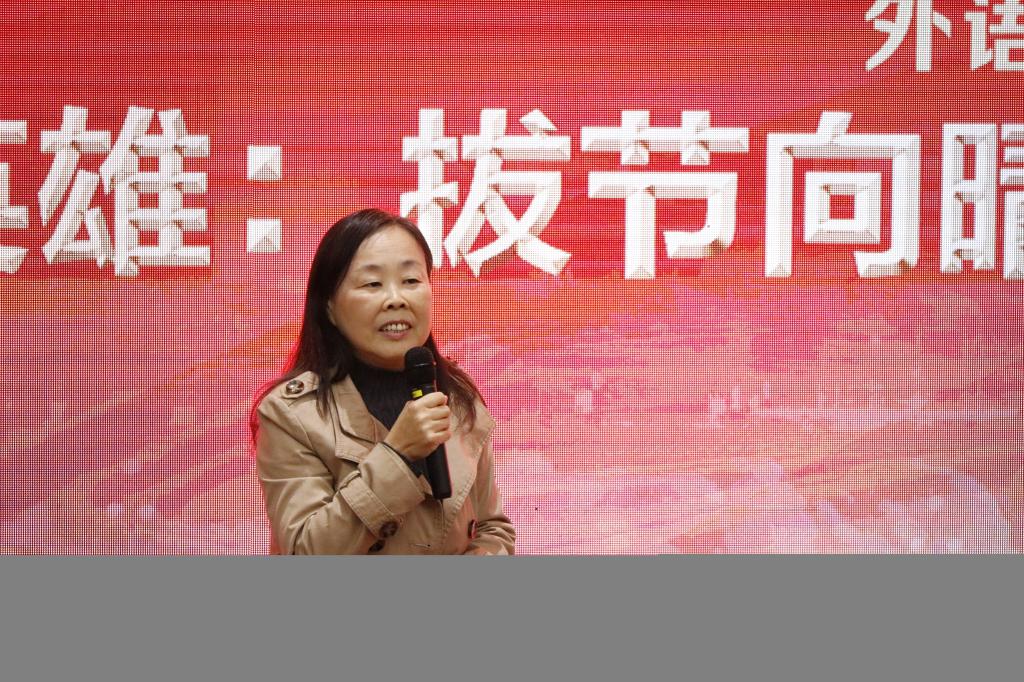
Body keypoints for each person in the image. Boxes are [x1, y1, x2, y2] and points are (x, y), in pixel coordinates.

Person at [251, 208, 515, 554]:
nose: (396, 299)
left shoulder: (457, 395)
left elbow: (493, 529)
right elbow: (305, 550)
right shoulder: (291, 414)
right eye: (373, 284)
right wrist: (397, 455)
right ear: (329, 307)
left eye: (411, 281)